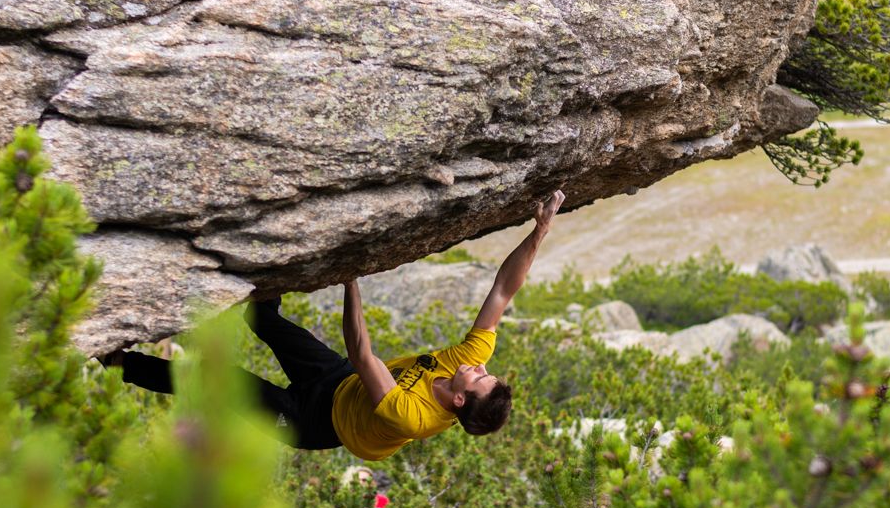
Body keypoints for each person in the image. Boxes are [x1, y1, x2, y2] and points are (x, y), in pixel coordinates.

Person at [102, 190, 565, 461]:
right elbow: (502, 292)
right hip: (339, 381)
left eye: (482, 378)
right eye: (486, 371)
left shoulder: (415, 417)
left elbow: (363, 353)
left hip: (313, 423)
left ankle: (121, 362)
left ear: (461, 399)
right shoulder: (467, 361)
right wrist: (539, 232)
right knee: (263, 318)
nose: (481, 367)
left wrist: (350, 279)